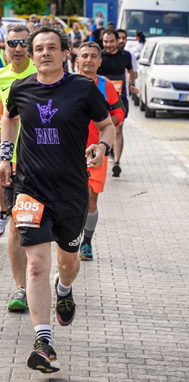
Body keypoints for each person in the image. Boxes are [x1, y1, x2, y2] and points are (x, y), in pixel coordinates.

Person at [0, 25, 115, 373]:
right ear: (31, 56)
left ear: (66, 54)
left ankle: (65, 290)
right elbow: (9, 117)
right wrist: (5, 156)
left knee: (67, 264)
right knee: (36, 265)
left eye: (52, 48)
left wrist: (102, 146)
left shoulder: (83, 88)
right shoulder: (21, 88)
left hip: (71, 191)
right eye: (38, 48)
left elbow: (107, 125)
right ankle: (43, 342)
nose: (44, 53)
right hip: (30, 188)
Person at [0, 24, 36, 309]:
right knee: (18, 224)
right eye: (11, 43)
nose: (17, 48)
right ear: (3, 47)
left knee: (42, 226)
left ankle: (50, 275)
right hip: (12, 159)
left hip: (44, 161)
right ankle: (21, 289)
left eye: (22, 43)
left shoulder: (42, 73)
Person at [75, 41, 125, 261]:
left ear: (100, 61)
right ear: (76, 60)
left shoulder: (106, 86)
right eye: (84, 55)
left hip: (96, 152)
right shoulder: (66, 83)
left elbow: (119, 113)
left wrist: (103, 123)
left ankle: (86, 242)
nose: (88, 60)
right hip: (67, 151)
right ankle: (68, 239)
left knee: (90, 199)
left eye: (93, 56)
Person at [97, 28, 137, 178]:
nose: (108, 44)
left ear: (117, 40)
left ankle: (116, 163)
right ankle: (105, 151)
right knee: (103, 128)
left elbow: (131, 71)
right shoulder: (99, 55)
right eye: (105, 41)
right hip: (101, 99)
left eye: (111, 41)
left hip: (120, 98)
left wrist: (132, 84)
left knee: (118, 127)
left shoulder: (125, 55)